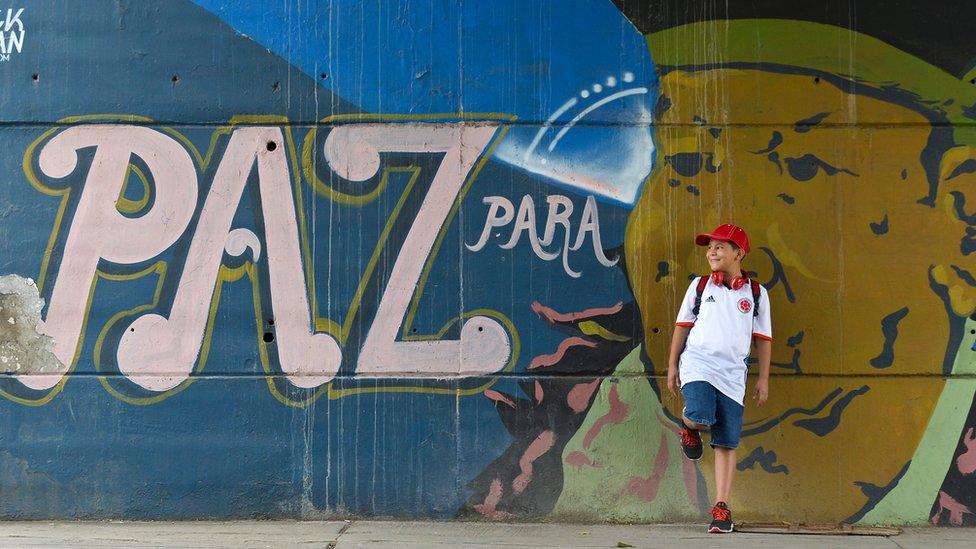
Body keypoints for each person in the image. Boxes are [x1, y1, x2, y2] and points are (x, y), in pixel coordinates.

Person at [666, 223, 772, 533]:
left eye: (720, 246)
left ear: (739, 253)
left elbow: (763, 338)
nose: (712, 251)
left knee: (726, 441)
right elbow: (683, 326)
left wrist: (762, 379)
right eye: (709, 246)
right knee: (700, 414)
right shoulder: (700, 286)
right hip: (698, 364)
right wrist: (673, 365)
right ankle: (689, 426)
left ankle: (721, 508)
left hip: (733, 376)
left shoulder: (755, 293)